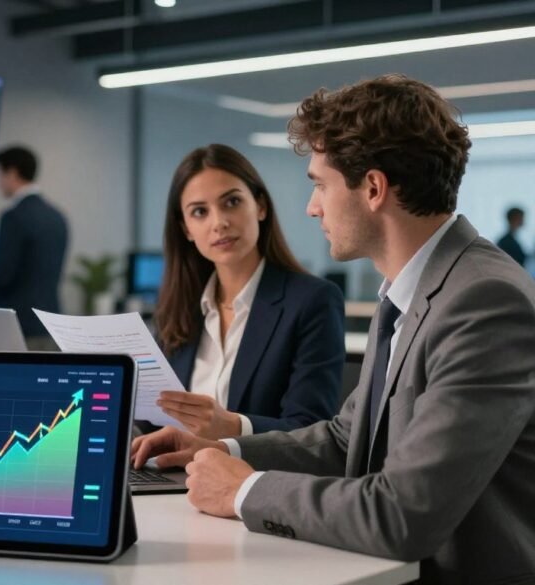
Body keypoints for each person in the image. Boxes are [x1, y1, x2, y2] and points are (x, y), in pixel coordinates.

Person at [132, 75, 535, 584]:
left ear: (372, 188)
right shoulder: (412, 290)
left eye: (320, 184)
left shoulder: (483, 300)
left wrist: (243, 489)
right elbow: (347, 440)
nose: (312, 206)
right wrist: (222, 450)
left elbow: (404, 514)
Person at [147, 144, 344, 442]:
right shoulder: (178, 308)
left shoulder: (312, 302)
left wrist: (232, 426)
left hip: (254, 481)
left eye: (232, 202)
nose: (219, 223)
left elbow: (311, 431)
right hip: (174, 479)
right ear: (186, 229)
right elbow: (152, 421)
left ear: (260, 206)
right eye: (200, 212)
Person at [0, 146, 68, 340]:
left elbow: (3, 276)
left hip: (17, 326)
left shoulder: (14, 217)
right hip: (51, 325)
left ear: (11, 173)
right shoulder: (57, 217)